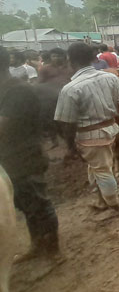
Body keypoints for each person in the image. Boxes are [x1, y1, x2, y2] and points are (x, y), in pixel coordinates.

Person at [0, 46, 61, 262]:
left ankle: (53, 250)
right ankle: (37, 244)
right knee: (26, 206)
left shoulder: (17, 91)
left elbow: (3, 125)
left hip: (25, 158)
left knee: (39, 204)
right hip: (9, 161)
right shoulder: (6, 89)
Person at [54, 42, 119, 213]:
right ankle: (101, 200)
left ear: (70, 61)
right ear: (92, 58)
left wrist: (70, 146)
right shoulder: (111, 78)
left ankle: (112, 203)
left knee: (102, 170)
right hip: (111, 128)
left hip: (89, 136)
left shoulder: (70, 89)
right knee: (98, 166)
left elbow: (66, 122)